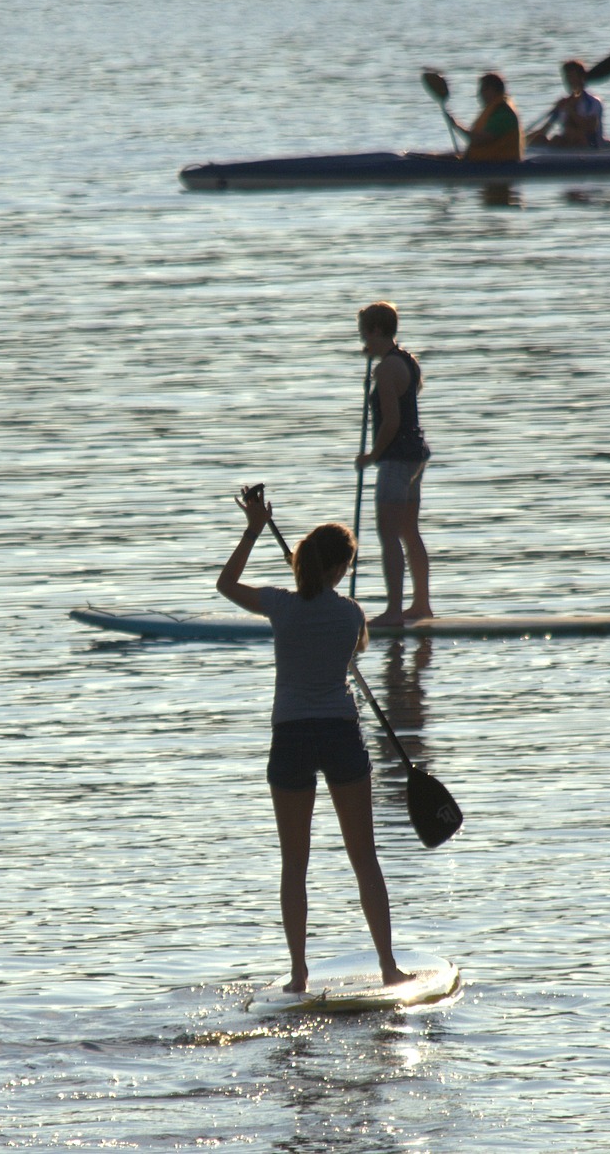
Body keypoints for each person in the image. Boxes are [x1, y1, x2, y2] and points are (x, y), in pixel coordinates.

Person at [217, 485, 411, 992]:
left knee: (294, 864)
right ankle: (389, 967)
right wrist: (322, 590)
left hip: (292, 738)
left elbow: (226, 584)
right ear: (339, 570)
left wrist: (254, 529)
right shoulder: (351, 614)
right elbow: (354, 642)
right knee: (363, 855)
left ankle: (299, 974)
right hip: (340, 735)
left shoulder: (279, 605)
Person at [353, 302, 434, 626]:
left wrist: (371, 456)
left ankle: (394, 611)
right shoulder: (407, 361)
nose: (362, 341)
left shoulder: (386, 369)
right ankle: (421, 605)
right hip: (415, 455)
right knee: (408, 531)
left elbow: (391, 422)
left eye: (364, 333)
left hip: (397, 459)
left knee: (388, 534)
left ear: (375, 330)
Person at [448, 72, 523, 162]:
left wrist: (456, 126)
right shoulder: (494, 111)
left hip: (500, 167)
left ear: (490, 90)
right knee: (444, 156)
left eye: (481, 90)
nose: (479, 95)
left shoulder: (503, 116)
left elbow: (477, 140)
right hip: (482, 163)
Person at [529, 59, 604, 148]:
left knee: (575, 136)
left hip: (589, 147)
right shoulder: (563, 103)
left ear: (581, 79)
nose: (570, 81)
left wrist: (571, 110)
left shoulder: (593, 103)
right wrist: (522, 140)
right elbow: (544, 130)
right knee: (540, 138)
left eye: (572, 77)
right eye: (567, 78)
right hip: (569, 145)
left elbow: (590, 128)